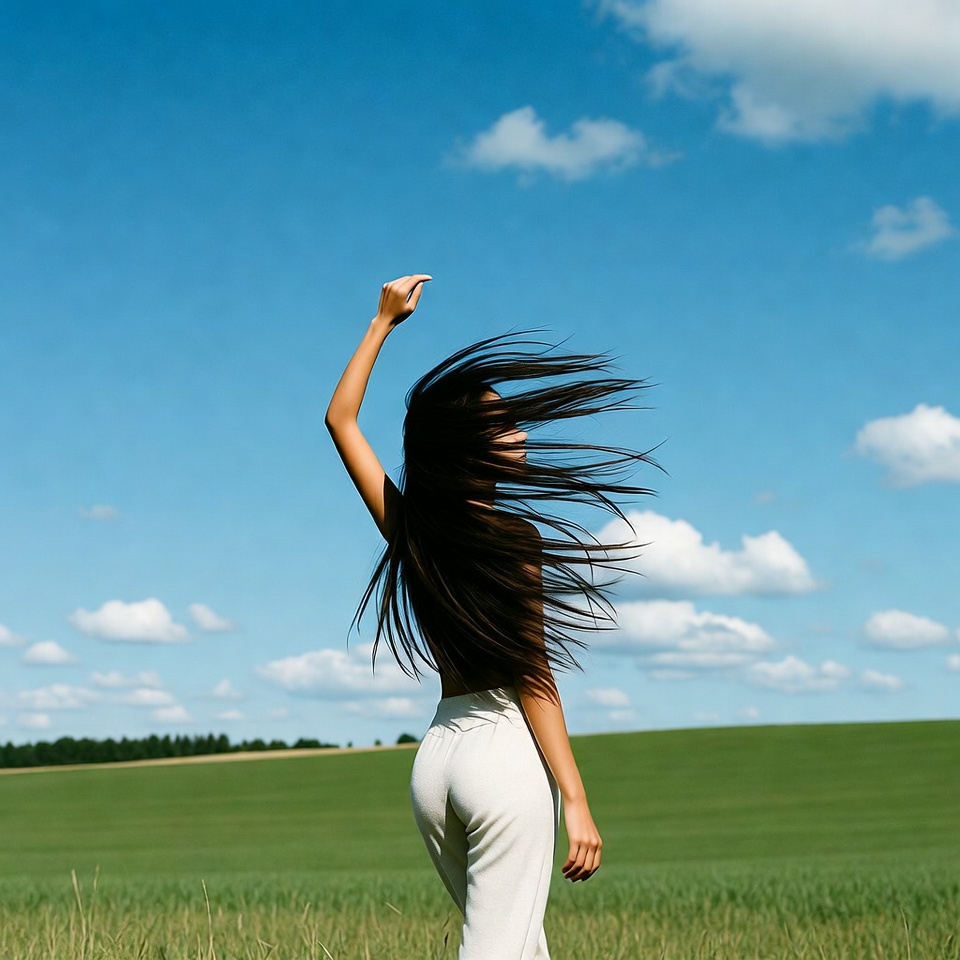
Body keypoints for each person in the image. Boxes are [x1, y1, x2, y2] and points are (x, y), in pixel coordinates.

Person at [325, 275, 655, 960]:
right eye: (503, 425)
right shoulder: (513, 540)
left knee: (518, 947)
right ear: (469, 446)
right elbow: (532, 675)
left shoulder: (412, 530)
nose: (520, 433)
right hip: (501, 754)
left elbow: (341, 421)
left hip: (436, 763)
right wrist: (577, 799)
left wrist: (382, 322)